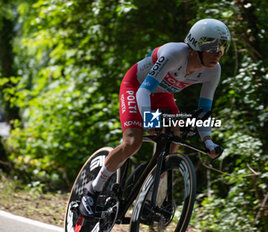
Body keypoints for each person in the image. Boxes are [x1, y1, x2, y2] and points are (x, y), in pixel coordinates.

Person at [79, 18, 231, 217]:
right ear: (195, 46)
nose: (217, 52)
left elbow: (204, 111)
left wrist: (208, 141)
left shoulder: (214, 71)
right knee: (133, 141)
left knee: (172, 143)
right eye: (212, 47)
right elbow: (144, 91)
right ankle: (92, 189)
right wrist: (150, 121)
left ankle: (149, 196)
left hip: (163, 96)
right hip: (136, 87)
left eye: (222, 47)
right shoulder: (174, 54)